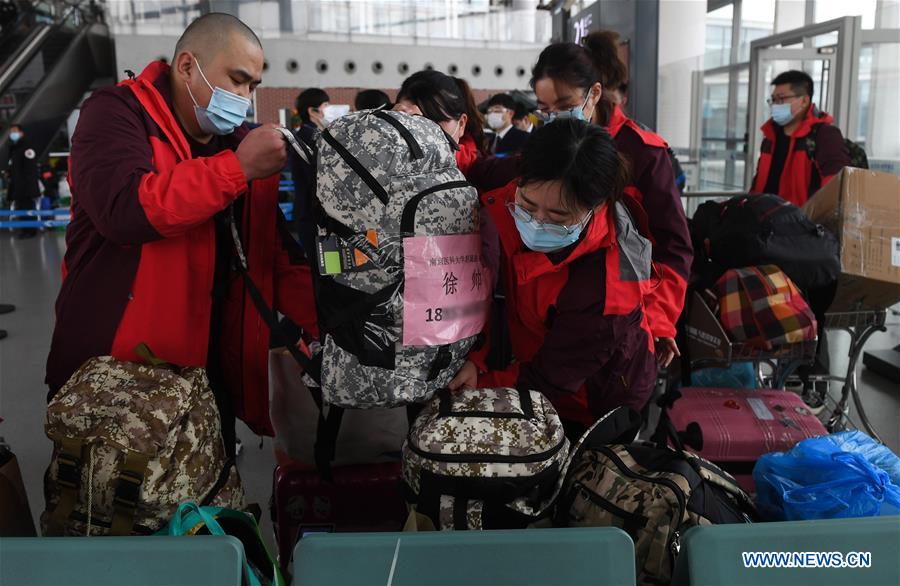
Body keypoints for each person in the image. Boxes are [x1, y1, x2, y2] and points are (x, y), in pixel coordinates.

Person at [45, 13, 318, 453]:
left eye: (253, 86)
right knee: (117, 510)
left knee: (210, 510)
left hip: (207, 378)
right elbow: (126, 210)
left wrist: (346, 323)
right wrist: (237, 170)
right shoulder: (115, 114)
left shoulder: (237, 143)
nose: (246, 99)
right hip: (116, 381)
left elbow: (272, 257)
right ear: (188, 66)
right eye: (238, 80)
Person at [450, 120, 657, 438]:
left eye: (559, 216)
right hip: (531, 360)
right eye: (528, 205)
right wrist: (477, 360)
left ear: (596, 206)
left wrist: (485, 383)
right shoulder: (510, 199)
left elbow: (553, 378)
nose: (536, 221)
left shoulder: (610, 287)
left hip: (595, 398)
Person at [528, 31, 692, 367]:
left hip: (624, 314)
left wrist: (657, 320)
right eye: (544, 109)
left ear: (594, 94)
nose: (554, 118)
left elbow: (674, 246)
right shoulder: (548, 143)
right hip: (553, 311)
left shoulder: (642, 152)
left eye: (565, 107)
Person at [750, 70, 850, 207]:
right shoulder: (771, 136)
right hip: (765, 220)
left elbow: (835, 187)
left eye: (781, 99)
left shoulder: (824, 136)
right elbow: (759, 182)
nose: (775, 105)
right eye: (773, 100)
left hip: (801, 224)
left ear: (804, 101)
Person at [289, 87, 329, 253]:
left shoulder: (308, 135)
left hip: (307, 213)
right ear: (312, 111)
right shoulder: (311, 138)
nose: (328, 110)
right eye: (326, 105)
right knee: (321, 268)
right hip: (313, 217)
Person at [6, 124, 39, 238]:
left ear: (21, 133)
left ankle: (31, 230)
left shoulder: (27, 147)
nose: (12, 134)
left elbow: (30, 168)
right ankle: (24, 230)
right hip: (17, 185)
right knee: (19, 207)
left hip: (26, 185)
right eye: (11, 132)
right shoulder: (13, 148)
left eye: (14, 131)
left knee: (28, 207)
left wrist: (29, 185)